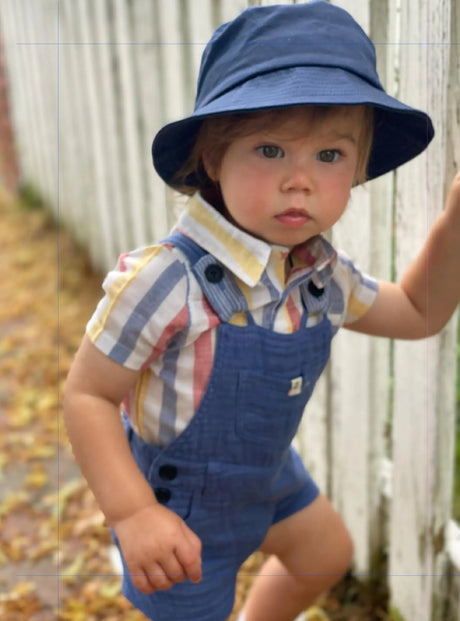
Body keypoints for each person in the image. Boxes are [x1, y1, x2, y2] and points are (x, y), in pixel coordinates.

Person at [63, 2, 460, 620]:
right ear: (214, 157)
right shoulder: (165, 280)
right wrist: (134, 513)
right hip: (178, 508)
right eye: (270, 149)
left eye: (329, 155)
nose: (299, 180)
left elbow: (415, 311)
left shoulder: (319, 274)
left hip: (267, 480)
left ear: (357, 168)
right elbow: (87, 396)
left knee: (326, 554)